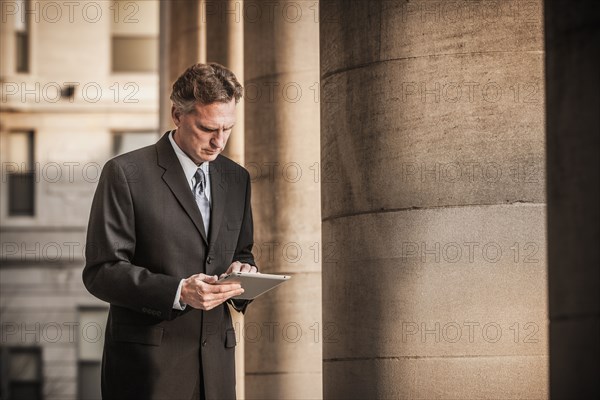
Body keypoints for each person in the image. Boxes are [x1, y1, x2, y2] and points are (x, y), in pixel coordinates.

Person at [83, 63, 257, 400]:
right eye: (208, 128)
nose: (219, 142)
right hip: (148, 370)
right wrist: (178, 291)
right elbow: (101, 272)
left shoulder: (237, 178)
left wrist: (244, 272)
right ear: (178, 115)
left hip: (217, 368)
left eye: (228, 128)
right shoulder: (125, 173)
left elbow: (242, 252)